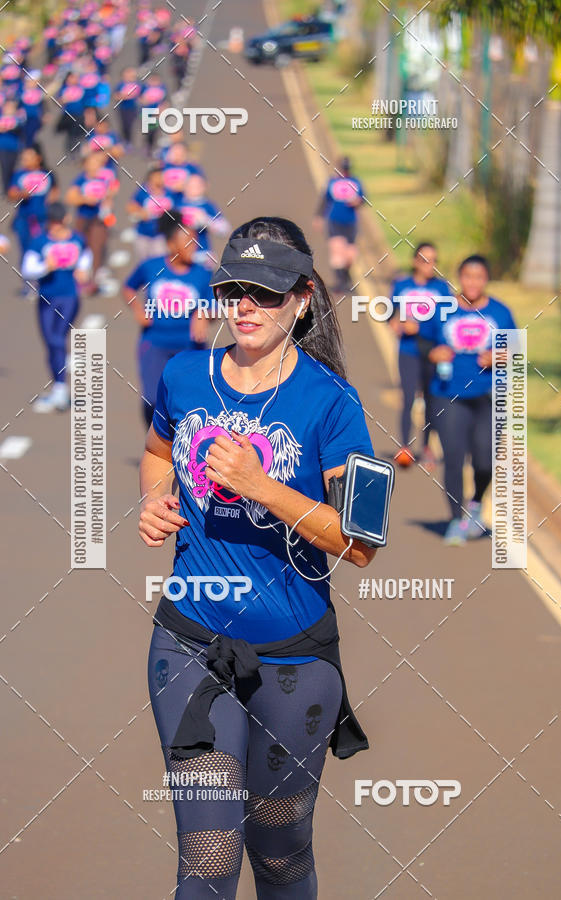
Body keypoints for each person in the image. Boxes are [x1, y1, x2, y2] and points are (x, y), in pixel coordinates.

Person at [139, 216, 377, 900]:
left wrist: (259, 486)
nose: (244, 306)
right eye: (232, 290)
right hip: (190, 646)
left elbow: (359, 543)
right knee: (209, 862)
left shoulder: (333, 404)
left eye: (265, 293)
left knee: (278, 855)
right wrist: (156, 499)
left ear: (301, 298)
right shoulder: (186, 375)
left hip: (295, 664)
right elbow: (159, 454)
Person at [418, 254, 517, 545]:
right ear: (459, 278)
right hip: (448, 394)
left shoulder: (501, 312)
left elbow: (514, 351)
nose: (473, 282)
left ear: (486, 280)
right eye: (467, 276)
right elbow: (423, 343)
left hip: (487, 395)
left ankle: (475, 504)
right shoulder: (442, 309)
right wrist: (433, 353)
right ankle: (455, 519)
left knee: (485, 459)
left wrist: (500, 357)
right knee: (454, 458)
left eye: (479, 277)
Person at [123, 211, 210, 427]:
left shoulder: (203, 274)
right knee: (153, 399)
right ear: (172, 245)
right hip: (155, 343)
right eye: (188, 243)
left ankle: (180, 448)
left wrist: (203, 314)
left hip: (190, 346)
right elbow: (128, 287)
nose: (194, 248)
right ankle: (155, 446)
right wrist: (137, 309)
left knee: (189, 401)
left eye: (195, 243)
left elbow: (215, 305)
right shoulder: (151, 267)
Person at [387, 242, 452, 469]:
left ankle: (426, 447)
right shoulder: (402, 285)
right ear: (415, 262)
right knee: (408, 397)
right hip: (408, 351)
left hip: (432, 352)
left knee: (431, 400)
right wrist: (395, 322)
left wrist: (422, 329)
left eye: (434, 261)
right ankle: (404, 446)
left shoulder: (442, 289)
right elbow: (390, 312)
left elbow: (447, 322)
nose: (430, 265)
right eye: (425, 260)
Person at [21, 201, 91, 412]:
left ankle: (60, 389)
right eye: (50, 223)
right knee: (50, 342)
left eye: (57, 223)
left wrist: (83, 270)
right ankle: (58, 386)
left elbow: (86, 258)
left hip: (69, 297)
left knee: (56, 338)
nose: (54, 228)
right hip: (46, 298)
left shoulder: (78, 240)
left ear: (66, 220)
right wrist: (46, 267)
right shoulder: (39, 242)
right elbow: (27, 270)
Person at [66, 148, 118, 287]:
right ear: (86, 164)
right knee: (82, 246)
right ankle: (80, 276)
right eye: (93, 161)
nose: (96, 165)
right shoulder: (80, 180)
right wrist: (85, 199)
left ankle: (94, 281)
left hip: (99, 219)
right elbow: (70, 198)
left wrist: (108, 205)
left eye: (97, 162)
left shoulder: (105, 178)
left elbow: (111, 193)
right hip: (83, 218)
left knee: (97, 246)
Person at [314, 156, 364, 292]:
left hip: (350, 222)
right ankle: (341, 283)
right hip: (334, 221)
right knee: (337, 251)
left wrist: (357, 202)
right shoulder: (332, 182)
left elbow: (363, 199)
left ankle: (346, 278)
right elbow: (325, 200)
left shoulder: (356, 182)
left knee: (350, 255)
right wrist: (319, 217)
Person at [8, 143, 59, 273]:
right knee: (26, 249)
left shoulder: (48, 174)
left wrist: (50, 207)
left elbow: (54, 193)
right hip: (24, 218)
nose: (25, 161)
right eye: (23, 158)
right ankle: (28, 282)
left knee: (43, 248)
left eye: (29, 157)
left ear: (38, 158)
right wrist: (21, 194)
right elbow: (11, 193)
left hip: (43, 218)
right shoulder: (18, 175)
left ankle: (44, 276)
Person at [127, 166, 175, 261]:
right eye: (156, 177)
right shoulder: (143, 191)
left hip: (161, 235)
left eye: (161, 177)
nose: (159, 180)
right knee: (144, 261)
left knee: (159, 260)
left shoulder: (170, 192)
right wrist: (140, 213)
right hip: (143, 233)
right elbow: (131, 206)